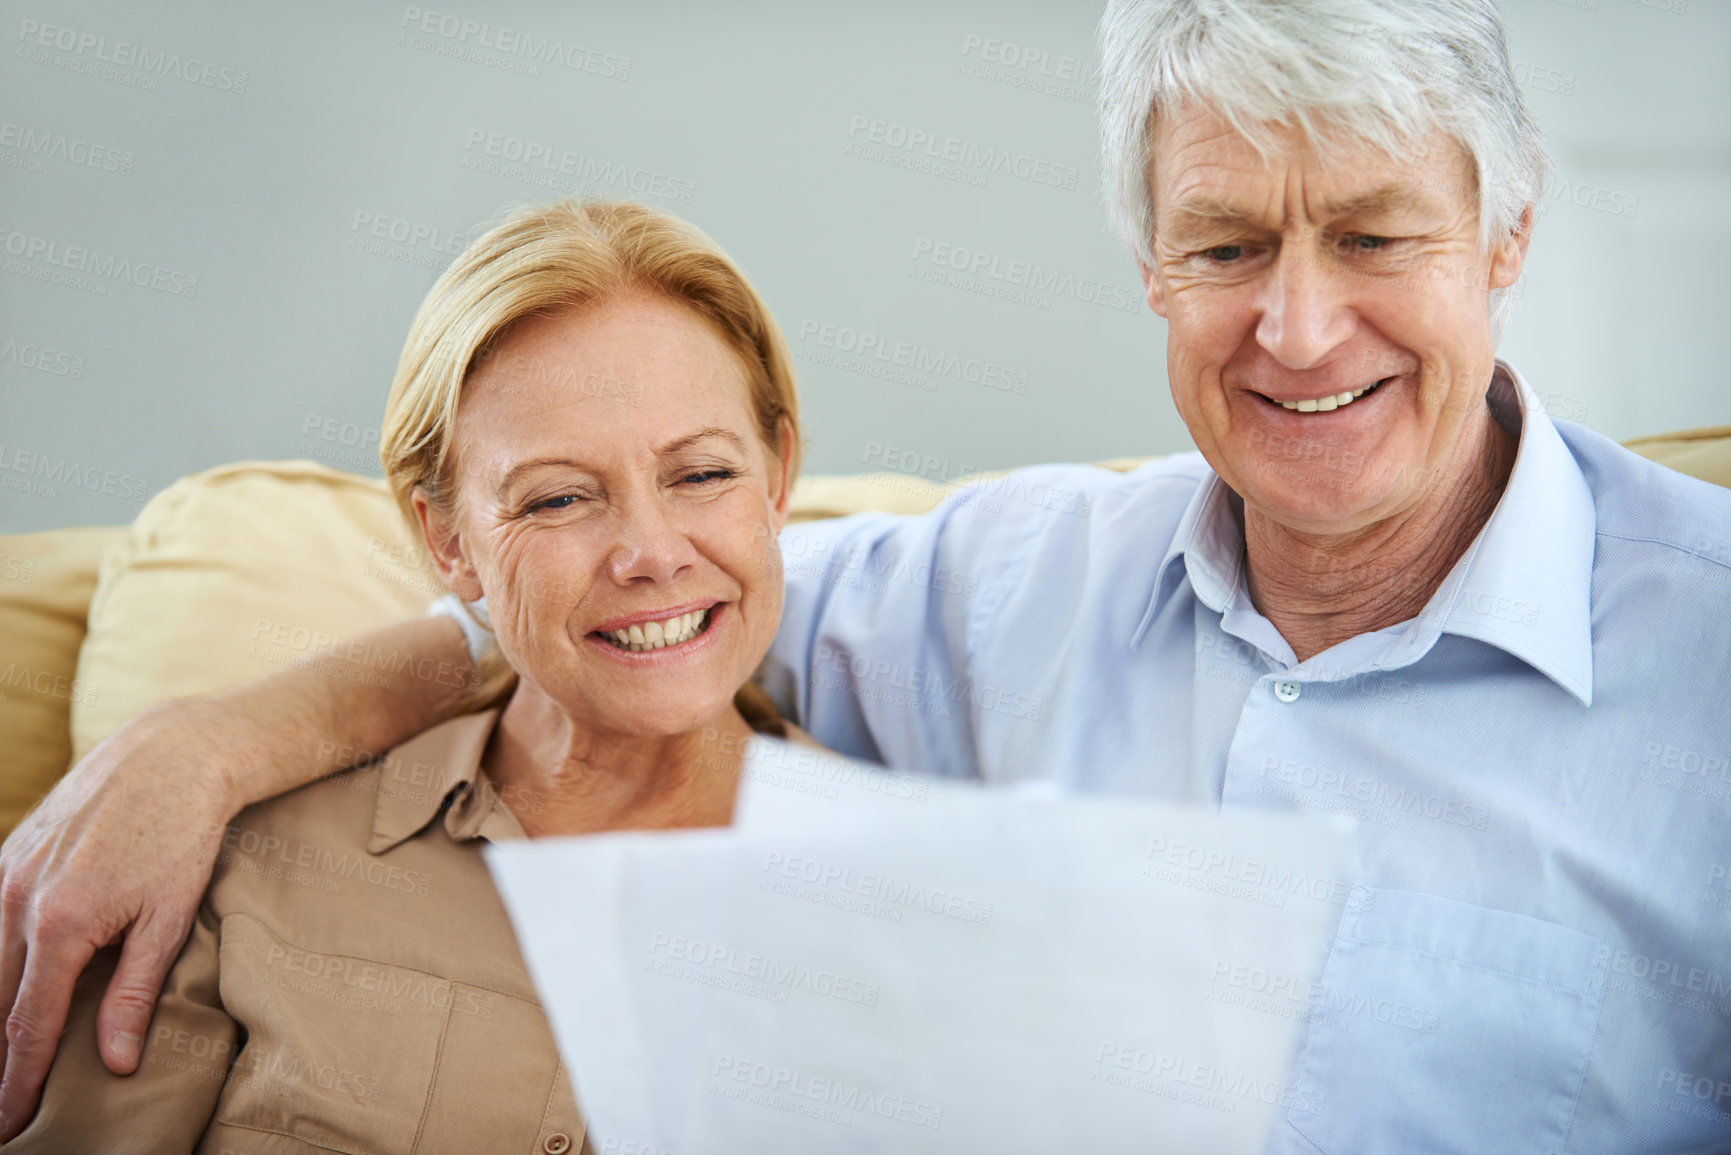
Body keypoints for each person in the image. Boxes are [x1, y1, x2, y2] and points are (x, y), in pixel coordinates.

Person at [4, 0, 1729, 1149]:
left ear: (1505, 233)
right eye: (1223, 244)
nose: (1295, 327)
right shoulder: (997, 588)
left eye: (1374, 234)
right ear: (1148, 263)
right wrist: (210, 747)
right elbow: (618, 624)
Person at [5, 197, 809, 1150]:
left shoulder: (918, 889)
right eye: (557, 497)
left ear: (779, 475)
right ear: (448, 541)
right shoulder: (224, 867)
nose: (650, 552)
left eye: (703, 475)